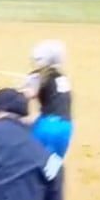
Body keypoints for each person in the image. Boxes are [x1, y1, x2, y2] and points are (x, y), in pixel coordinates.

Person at [23, 39, 74, 168]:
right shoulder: (62, 77)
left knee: (31, 164)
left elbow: (28, 95)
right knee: (53, 166)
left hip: (47, 126)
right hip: (66, 126)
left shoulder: (37, 76)